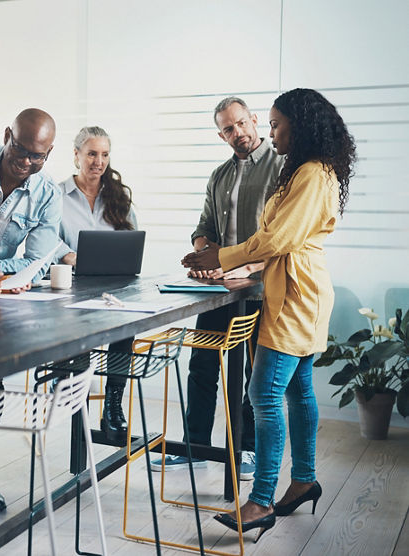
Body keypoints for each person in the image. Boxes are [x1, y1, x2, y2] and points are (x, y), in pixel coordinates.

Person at [182, 88, 356, 540]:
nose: (271, 131)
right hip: (295, 290)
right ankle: (303, 480)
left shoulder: (313, 174)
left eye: (276, 124)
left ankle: (260, 501)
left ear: (299, 124)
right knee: (298, 390)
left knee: (262, 394)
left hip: (295, 294)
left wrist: (221, 258)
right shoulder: (303, 170)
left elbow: (277, 239)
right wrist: (219, 257)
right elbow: (273, 236)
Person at [151, 97, 283, 479]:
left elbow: (278, 237)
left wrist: (239, 265)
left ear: (254, 120)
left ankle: (246, 450)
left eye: (241, 123)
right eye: (228, 128)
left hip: (259, 289)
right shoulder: (219, 175)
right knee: (202, 365)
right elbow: (204, 229)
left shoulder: (282, 167)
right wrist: (205, 259)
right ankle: (194, 447)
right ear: (220, 134)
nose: (237, 133)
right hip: (216, 291)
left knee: (252, 374)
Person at [0, 108, 61, 513]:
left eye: (38, 156)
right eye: (21, 149)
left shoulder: (47, 193)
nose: (27, 161)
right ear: (7, 134)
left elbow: (39, 260)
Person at [55, 126, 136, 442]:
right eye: (91, 153)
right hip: (69, 289)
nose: (98, 161)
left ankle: (113, 402)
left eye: (104, 154)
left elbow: (132, 241)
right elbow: (45, 237)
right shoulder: (57, 195)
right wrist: (68, 255)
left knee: (125, 326)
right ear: (76, 155)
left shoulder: (118, 197)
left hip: (111, 288)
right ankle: (68, 387)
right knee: (75, 331)